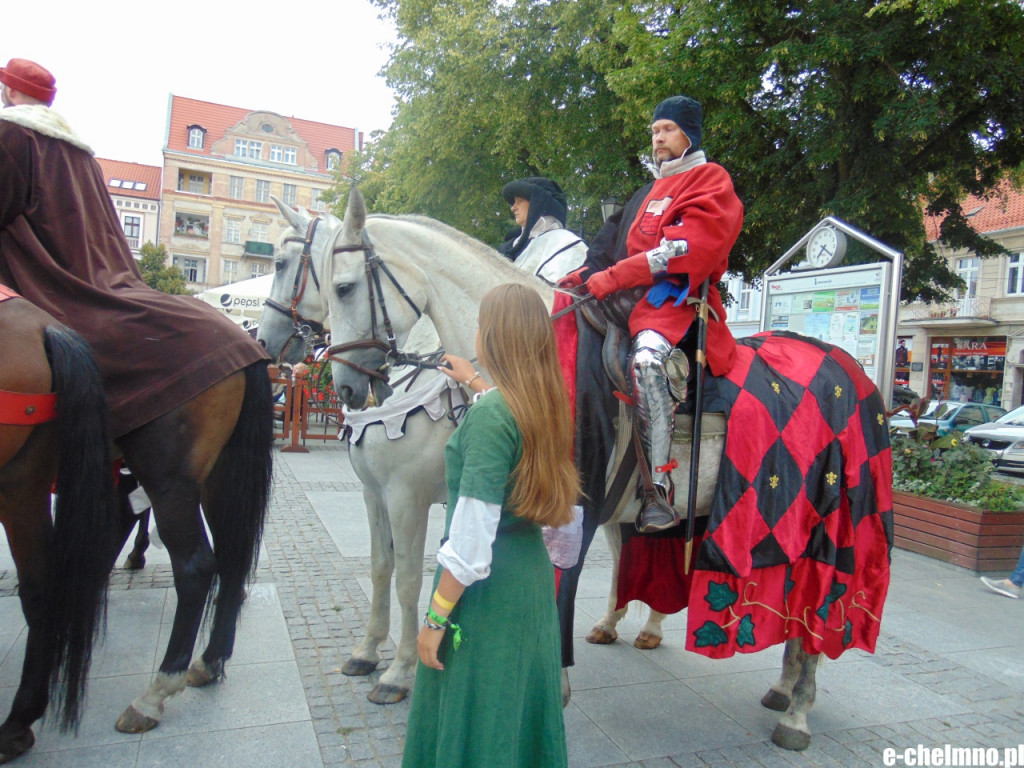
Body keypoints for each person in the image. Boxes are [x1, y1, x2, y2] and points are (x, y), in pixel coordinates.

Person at [402, 283, 578, 768]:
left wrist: (435, 620)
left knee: (478, 714)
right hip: (529, 579)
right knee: (514, 711)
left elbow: (471, 542)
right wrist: (476, 382)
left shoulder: (491, 421)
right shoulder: (544, 402)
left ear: (495, 336)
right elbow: (507, 415)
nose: (475, 331)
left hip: (487, 592)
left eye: (481, 324)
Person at [563, 95, 743, 533]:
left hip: (675, 303)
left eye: (666, 129)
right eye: (654, 131)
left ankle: (657, 490)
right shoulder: (647, 190)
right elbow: (611, 239)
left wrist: (616, 275)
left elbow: (681, 252)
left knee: (646, 362)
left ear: (688, 134)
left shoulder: (710, 181)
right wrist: (587, 272)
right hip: (626, 299)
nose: (657, 138)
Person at [497, 176, 587, 285]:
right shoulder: (511, 247)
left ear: (538, 203)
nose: (513, 207)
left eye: (520, 201)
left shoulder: (566, 242)